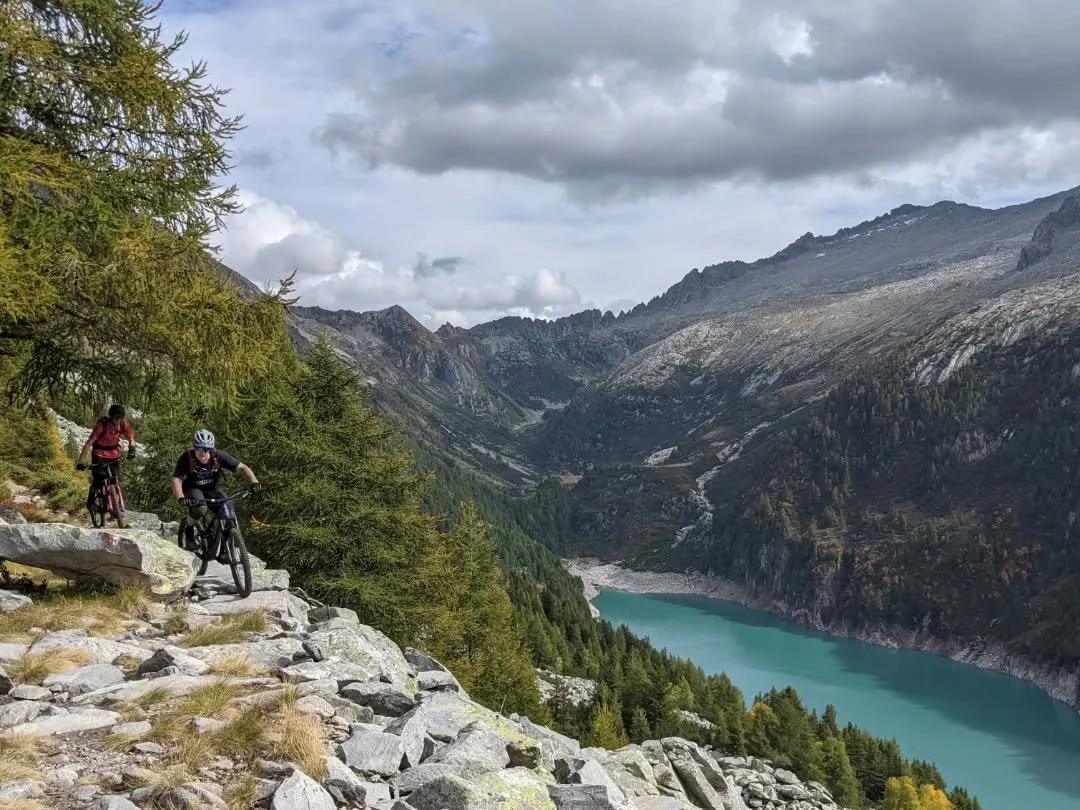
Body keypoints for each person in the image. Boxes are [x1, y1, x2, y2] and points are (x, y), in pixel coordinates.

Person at [171, 428, 261, 562]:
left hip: (211, 488)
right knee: (201, 508)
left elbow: (243, 468)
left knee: (228, 510)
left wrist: (254, 481)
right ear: (195, 447)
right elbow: (176, 480)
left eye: (206, 449)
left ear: (211, 449)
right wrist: (181, 497)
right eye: (199, 448)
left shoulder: (218, 456)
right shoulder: (187, 458)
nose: (203, 453)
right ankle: (188, 529)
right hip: (192, 488)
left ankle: (224, 552)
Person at [76, 403, 137, 513]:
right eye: (116, 417)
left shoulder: (123, 424)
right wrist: (81, 462)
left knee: (114, 479)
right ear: (111, 417)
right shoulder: (101, 426)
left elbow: (131, 438)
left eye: (121, 417)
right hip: (99, 455)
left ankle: (116, 506)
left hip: (114, 455)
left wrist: (132, 449)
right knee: (98, 481)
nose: (118, 420)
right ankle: (91, 503)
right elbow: (89, 443)